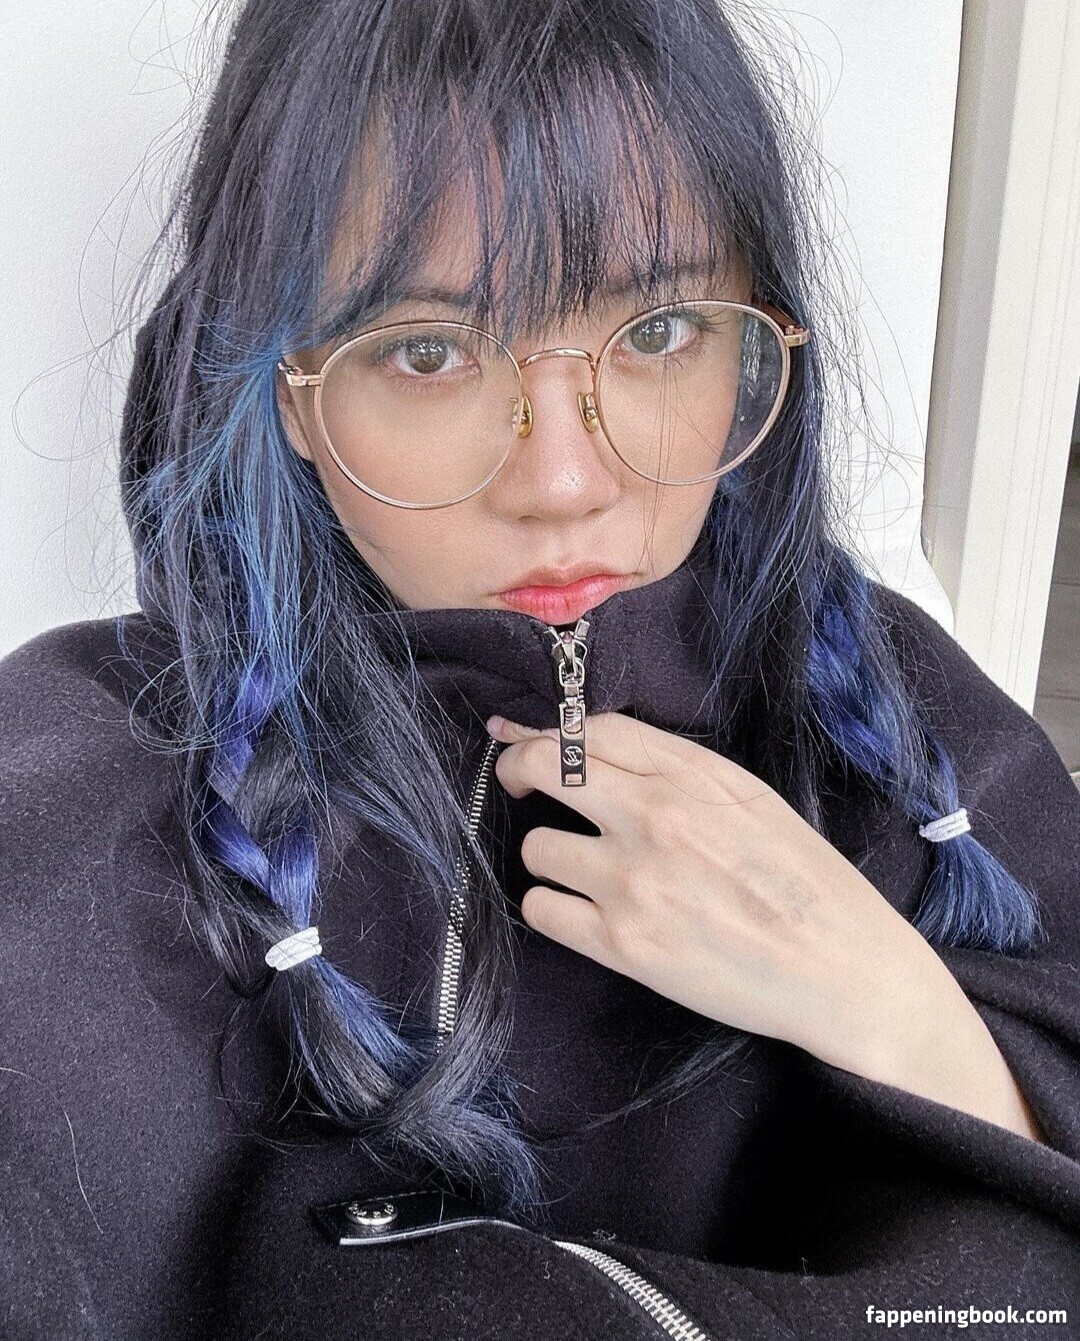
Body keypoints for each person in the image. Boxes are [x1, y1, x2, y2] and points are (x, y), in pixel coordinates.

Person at [2, 1, 1078, 1337]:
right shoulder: (86, 779)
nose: (565, 481)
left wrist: (894, 1008)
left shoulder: (907, 730)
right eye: (430, 352)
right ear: (288, 387)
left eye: (660, 331)